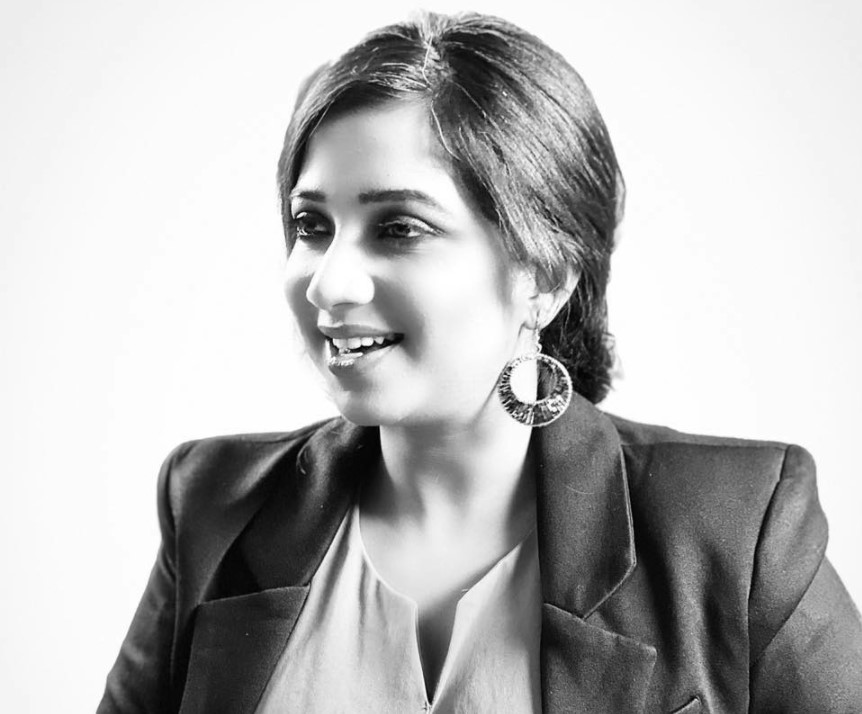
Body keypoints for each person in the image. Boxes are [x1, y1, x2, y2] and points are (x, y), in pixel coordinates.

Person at [98, 11, 862, 714]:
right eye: (312, 225)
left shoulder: (738, 531)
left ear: (546, 275)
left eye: (399, 228)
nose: (328, 282)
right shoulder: (213, 506)